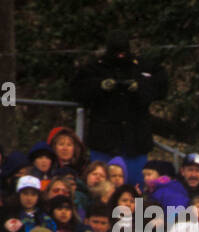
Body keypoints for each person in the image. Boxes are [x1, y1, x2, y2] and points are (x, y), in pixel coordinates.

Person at [71, 31, 169, 184]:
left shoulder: (142, 66)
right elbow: (77, 91)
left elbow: (161, 86)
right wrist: (100, 86)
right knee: (100, 184)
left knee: (134, 186)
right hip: (104, 140)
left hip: (135, 140)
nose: (120, 57)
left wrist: (140, 86)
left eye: (123, 53)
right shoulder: (95, 68)